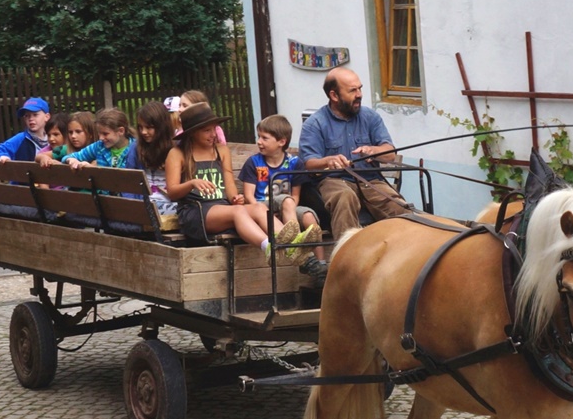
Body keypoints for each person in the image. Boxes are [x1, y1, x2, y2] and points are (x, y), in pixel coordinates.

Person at [166, 103, 299, 254]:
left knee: (259, 208)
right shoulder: (177, 154)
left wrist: (235, 198)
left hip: (223, 208)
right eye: (206, 131)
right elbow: (172, 192)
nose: (213, 134)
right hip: (195, 211)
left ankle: (293, 246)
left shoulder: (221, 150)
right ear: (192, 133)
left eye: (214, 129)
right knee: (238, 212)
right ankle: (269, 247)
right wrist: (191, 184)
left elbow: (229, 188)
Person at [299, 67, 412, 239]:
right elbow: (309, 164)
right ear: (334, 96)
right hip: (334, 181)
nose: (359, 94)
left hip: (370, 180)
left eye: (360, 88)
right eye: (352, 90)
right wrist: (328, 161)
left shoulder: (370, 117)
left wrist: (373, 151)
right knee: (345, 197)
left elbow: (389, 154)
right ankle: (347, 256)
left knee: (400, 207)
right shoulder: (315, 124)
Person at [238, 114, 327, 282]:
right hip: (262, 206)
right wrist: (267, 213)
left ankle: (320, 266)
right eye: (259, 137)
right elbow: (249, 196)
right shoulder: (254, 162)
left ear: (281, 142)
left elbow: (296, 195)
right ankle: (295, 244)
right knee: (286, 200)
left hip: (288, 206)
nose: (259, 141)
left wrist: (288, 208)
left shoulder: (294, 163)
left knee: (309, 217)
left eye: (264, 138)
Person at [124, 101, 178, 216]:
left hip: (171, 203)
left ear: (162, 127)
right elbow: (128, 182)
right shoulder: (136, 149)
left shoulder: (177, 148)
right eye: (140, 127)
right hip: (145, 204)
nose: (144, 132)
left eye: (149, 127)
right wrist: (131, 207)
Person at [61, 107, 132, 170]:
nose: (101, 138)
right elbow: (69, 157)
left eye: (105, 134)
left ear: (121, 131)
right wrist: (72, 160)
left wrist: (93, 170)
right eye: (99, 133)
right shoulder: (99, 146)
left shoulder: (135, 150)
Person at [0, 97, 53, 162]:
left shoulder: (55, 137)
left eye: (35, 115)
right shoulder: (20, 138)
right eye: (27, 116)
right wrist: (2, 155)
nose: (31, 119)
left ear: (47, 117)